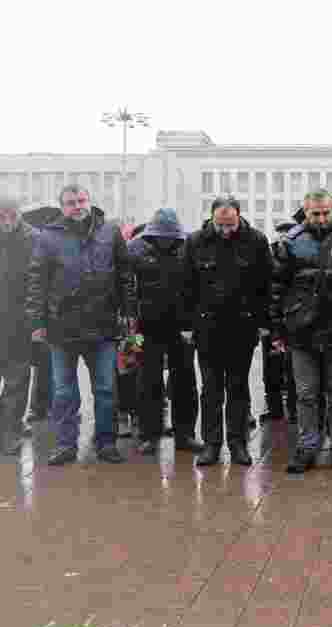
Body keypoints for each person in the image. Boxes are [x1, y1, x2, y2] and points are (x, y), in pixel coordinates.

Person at [25, 184, 136, 465]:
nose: (77, 206)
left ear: (90, 201)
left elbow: (125, 275)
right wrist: (37, 321)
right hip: (62, 329)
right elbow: (37, 281)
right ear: (62, 207)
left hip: (103, 326)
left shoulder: (109, 232)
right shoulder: (48, 237)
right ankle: (65, 445)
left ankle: (106, 443)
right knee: (63, 391)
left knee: (106, 389)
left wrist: (129, 312)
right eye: (71, 202)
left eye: (81, 200)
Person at [270, 190, 332, 474]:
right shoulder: (289, 243)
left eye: (326, 212)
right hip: (302, 331)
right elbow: (276, 289)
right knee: (305, 393)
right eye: (316, 213)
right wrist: (278, 331)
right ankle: (307, 446)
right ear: (306, 212)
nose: (322, 218)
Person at [183, 196, 272, 467]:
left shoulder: (256, 241)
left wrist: (264, 322)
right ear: (211, 218)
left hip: (242, 328)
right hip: (206, 328)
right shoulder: (195, 241)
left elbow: (266, 284)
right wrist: (186, 325)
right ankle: (211, 444)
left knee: (238, 388)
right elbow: (185, 286)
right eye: (220, 224)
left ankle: (238, 444)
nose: (225, 230)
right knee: (210, 389)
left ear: (239, 217)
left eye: (230, 224)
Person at [125, 209, 202, 456]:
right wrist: (130, 322)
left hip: (182, 328)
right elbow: (126, 284)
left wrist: (193, 323)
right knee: (148, 381)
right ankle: (149, 435)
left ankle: (185, 434)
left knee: (185, 381)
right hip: (146, 327)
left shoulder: (189, 247)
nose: (166, 241)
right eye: (162, 236)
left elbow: (198, 285)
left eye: (171, 237)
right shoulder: (135, 249)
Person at [0, 197, 34, 455]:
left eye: (11, 215)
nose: (7, 221)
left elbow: (40, 280)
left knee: (18, 380)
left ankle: (9, 432)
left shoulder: (33, 239)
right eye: (1, 216)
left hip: (20, 322)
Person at [260, 221, 298, 424]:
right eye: (281, 233)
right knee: (271, 368)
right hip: (272, 319)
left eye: (288, 233)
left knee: (293, 368)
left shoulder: (299, 255)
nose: (284, 237)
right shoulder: (267, 254)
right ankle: (274, 408)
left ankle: (293, 409)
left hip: (292, 319)